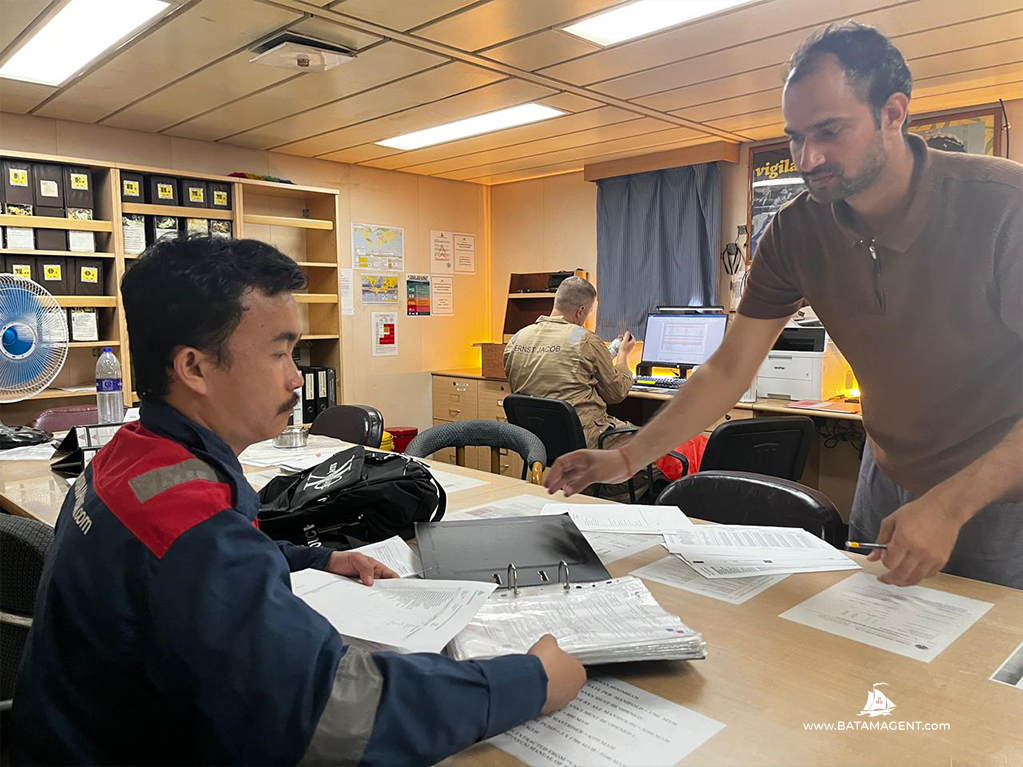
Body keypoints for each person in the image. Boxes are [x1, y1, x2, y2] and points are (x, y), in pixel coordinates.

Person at [12, 236, 586, 766]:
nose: (296, 378)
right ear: (194, 367)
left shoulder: (131, 455)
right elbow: (331, 713)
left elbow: (187, 562)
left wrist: (315, 558)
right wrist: (529, 682)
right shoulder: (187, 526)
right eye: (280, 353)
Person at [546, 22, 1022, 590]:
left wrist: (948, 507)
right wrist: (628, 459)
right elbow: (728, 368)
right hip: (887, 469)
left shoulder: (1002, 210)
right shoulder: (796, 231)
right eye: (795, 136)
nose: (808, 156)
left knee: (984, 667)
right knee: (875, 646)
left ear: (893, 114)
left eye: (829, 130)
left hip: (998, 486)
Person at [503, 276, 638, 448]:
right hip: (582, 437)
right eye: (589, 312)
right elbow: (616, 392)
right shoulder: (586, 339)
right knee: (653, 444)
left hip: (535, 439)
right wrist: (623, 354)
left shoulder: (518, 338)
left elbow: (559, 364)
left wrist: (609, 353)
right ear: (580, 311)